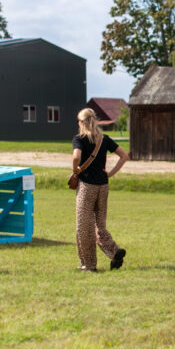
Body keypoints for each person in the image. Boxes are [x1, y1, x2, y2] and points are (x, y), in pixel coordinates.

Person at [72, 108, 129, 271]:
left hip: (87, 186)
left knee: (84, 227)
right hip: (103, 186)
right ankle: (115, 251)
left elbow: (76, 156)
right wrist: (110, 173)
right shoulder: (104, 139)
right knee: (100, 226)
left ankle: (89, 264)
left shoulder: (80, 139)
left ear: (81, 122)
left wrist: (75, 170)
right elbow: (124, 155)